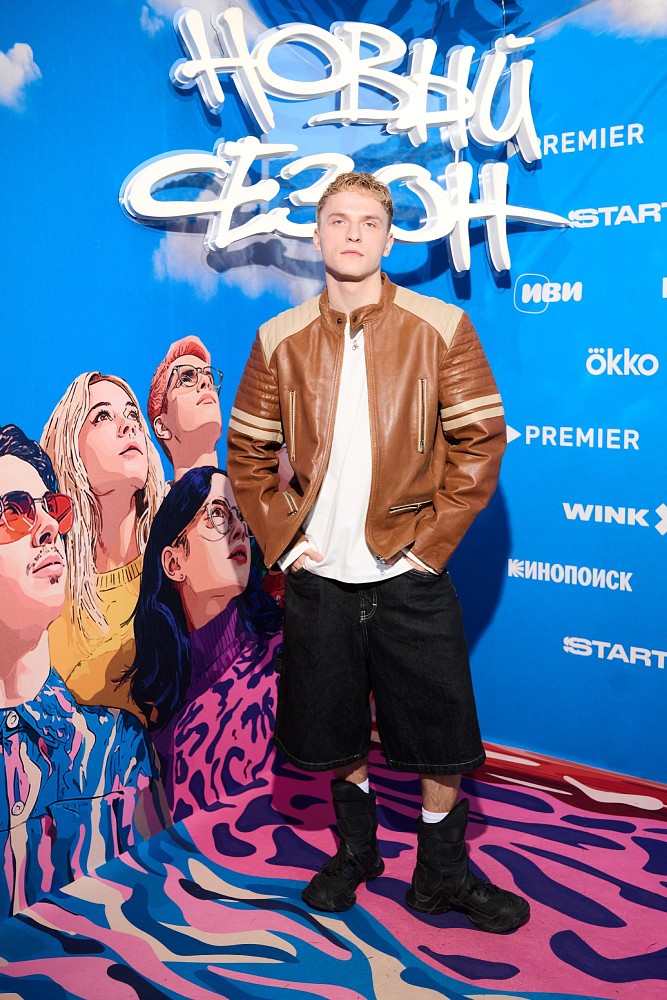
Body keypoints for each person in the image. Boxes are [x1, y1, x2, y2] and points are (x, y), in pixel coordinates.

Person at [227, 171, 529, 932]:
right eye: (338, 220)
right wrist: (287, 545)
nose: (353, 233)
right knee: (333, 728)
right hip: (319, 576)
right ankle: (356, 852)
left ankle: (441, 874)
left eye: (369, 222)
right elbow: (248, 457)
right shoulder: (277, 338)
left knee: (440, 737)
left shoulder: (441, 326)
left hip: (408, 570)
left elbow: (481, 443)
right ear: (317, 235)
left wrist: (429, 548)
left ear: (390, 239)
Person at [0, 425, 165, 915]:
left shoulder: (120, 751)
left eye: (51, 508)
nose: (48, 528)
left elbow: (154, 913)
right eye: (15, 510)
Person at [126, 466, 282, 821]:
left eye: (240, 516)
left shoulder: (283, 660)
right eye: (218, 515)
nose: (239, 528)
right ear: (173, 562)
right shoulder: (158, 724)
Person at [42, 372, 164, 717]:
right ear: (70, 449)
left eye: (132, 414)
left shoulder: (177, 566)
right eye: (102, 416)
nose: (128, 426)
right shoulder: (48, 600)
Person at [147, 336, 224, 484]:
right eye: (186, 379)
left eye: (209, 377)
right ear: (162, 427)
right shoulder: (159, 503)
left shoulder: (253, 492)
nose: (205, 381)